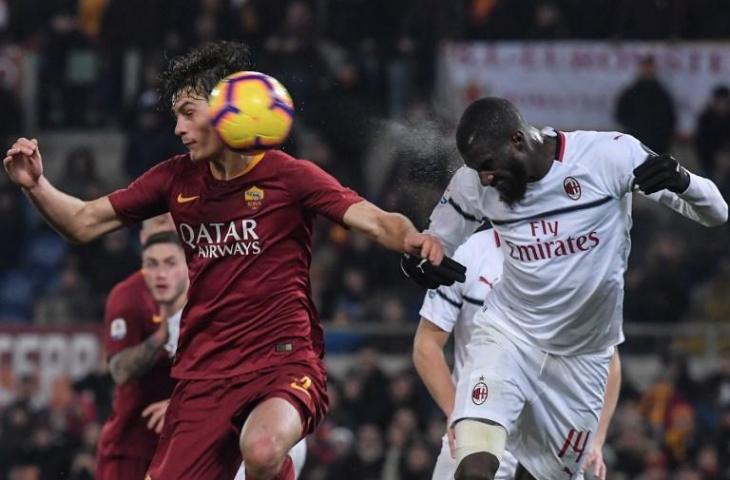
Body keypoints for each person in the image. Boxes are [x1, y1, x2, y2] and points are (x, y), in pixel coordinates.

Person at [2, 41, 445, 480]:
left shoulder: (288, 175)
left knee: (263, 448)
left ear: (229, 110)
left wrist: (412, 238)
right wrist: (35, 186)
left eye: (189, 113)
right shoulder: (175, 178)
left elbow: (374, 219)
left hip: (283, 359)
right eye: (176, 115)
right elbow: (82, 222)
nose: (178, 128)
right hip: (203, 374)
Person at [422, 96, 726, 479]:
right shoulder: (474, 183)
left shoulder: (608, 157)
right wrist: (423, 255)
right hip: (509, 336)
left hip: (583, 357)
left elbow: (717, 213)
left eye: (488, 166)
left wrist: (685, 182)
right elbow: (436, 242)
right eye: (477, 170)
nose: (485, 177)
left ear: (518, 141)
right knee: (474, 466)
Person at [412, 226, 622, 480]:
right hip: (479, 424)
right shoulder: (466, 251)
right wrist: (455, 411)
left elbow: (608, 361)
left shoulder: (577, 257)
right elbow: (427, 344)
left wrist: (596, 438)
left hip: (550, 435)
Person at [96, 218, 183, 479]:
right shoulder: (129, 296)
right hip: (135, 443)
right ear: (144, 241)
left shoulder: (211, 292)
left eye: (172, 231)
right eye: (159, 231)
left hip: (189, 441)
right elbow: (120, 370)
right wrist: (162, 337)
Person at [615, 55, 676, 155]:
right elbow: (621, 114)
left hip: (657, 146)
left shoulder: (661, 94)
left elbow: (669, 119)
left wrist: (663, 140)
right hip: (635, 144)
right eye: (646, 67)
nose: (648, 70)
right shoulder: (631, 93)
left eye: (650, 67)